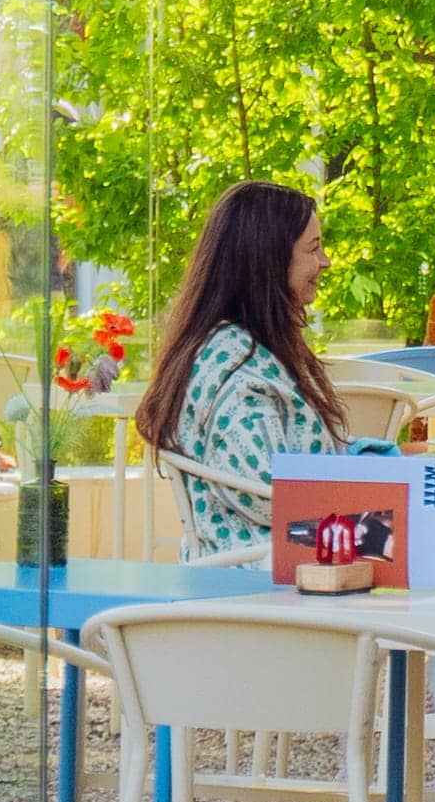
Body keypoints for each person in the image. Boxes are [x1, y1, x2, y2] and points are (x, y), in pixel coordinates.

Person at [139, 178, 352, 555]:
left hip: (280, 561)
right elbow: (270, 498)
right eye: (313, 249)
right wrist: (377, 504)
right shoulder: (238, 373)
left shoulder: (235, 351)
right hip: (269, 574)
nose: (325, 262)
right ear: (268, 259)